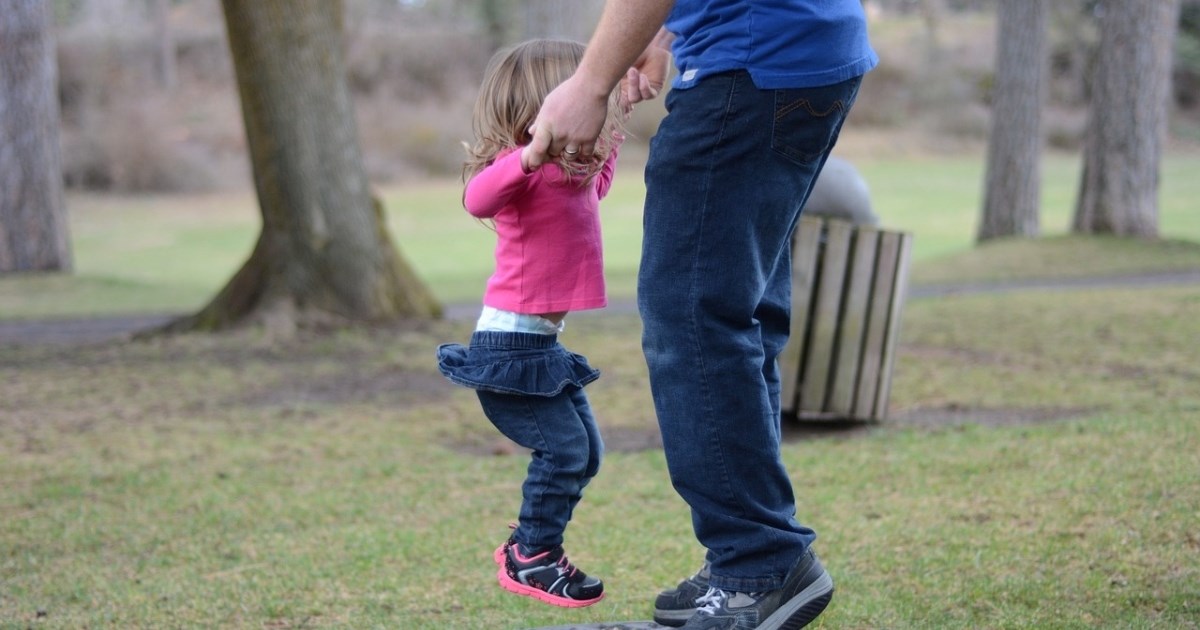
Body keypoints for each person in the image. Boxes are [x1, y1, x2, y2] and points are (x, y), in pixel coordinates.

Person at [524, 2, 878, 629]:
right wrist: (663, 32)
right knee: (736, 313)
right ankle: (751, 559)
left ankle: (758, 565)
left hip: (750, 62)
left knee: (692, 318)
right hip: (797, 53)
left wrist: (590, 83)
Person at [435, 38, 629, 609]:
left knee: (587, 454)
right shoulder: (518, 171)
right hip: (509, 348)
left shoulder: (569, 176)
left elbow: (598, 184)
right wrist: (528, 156)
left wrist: (618, 120)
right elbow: (476, 199)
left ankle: (532, 545)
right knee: (565, 453)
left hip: (540, 347)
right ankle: (533, 555)